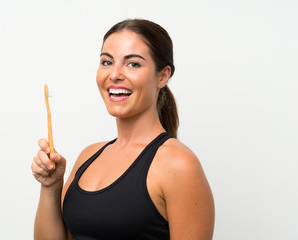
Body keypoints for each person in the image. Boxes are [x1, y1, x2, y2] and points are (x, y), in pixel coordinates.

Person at [32, 19, 215, 240]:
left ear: (163, 76)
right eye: (107, 62)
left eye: (133, 64)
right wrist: (51, 187)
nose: (114, 74)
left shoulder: (179, 165)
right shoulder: (88, 157)